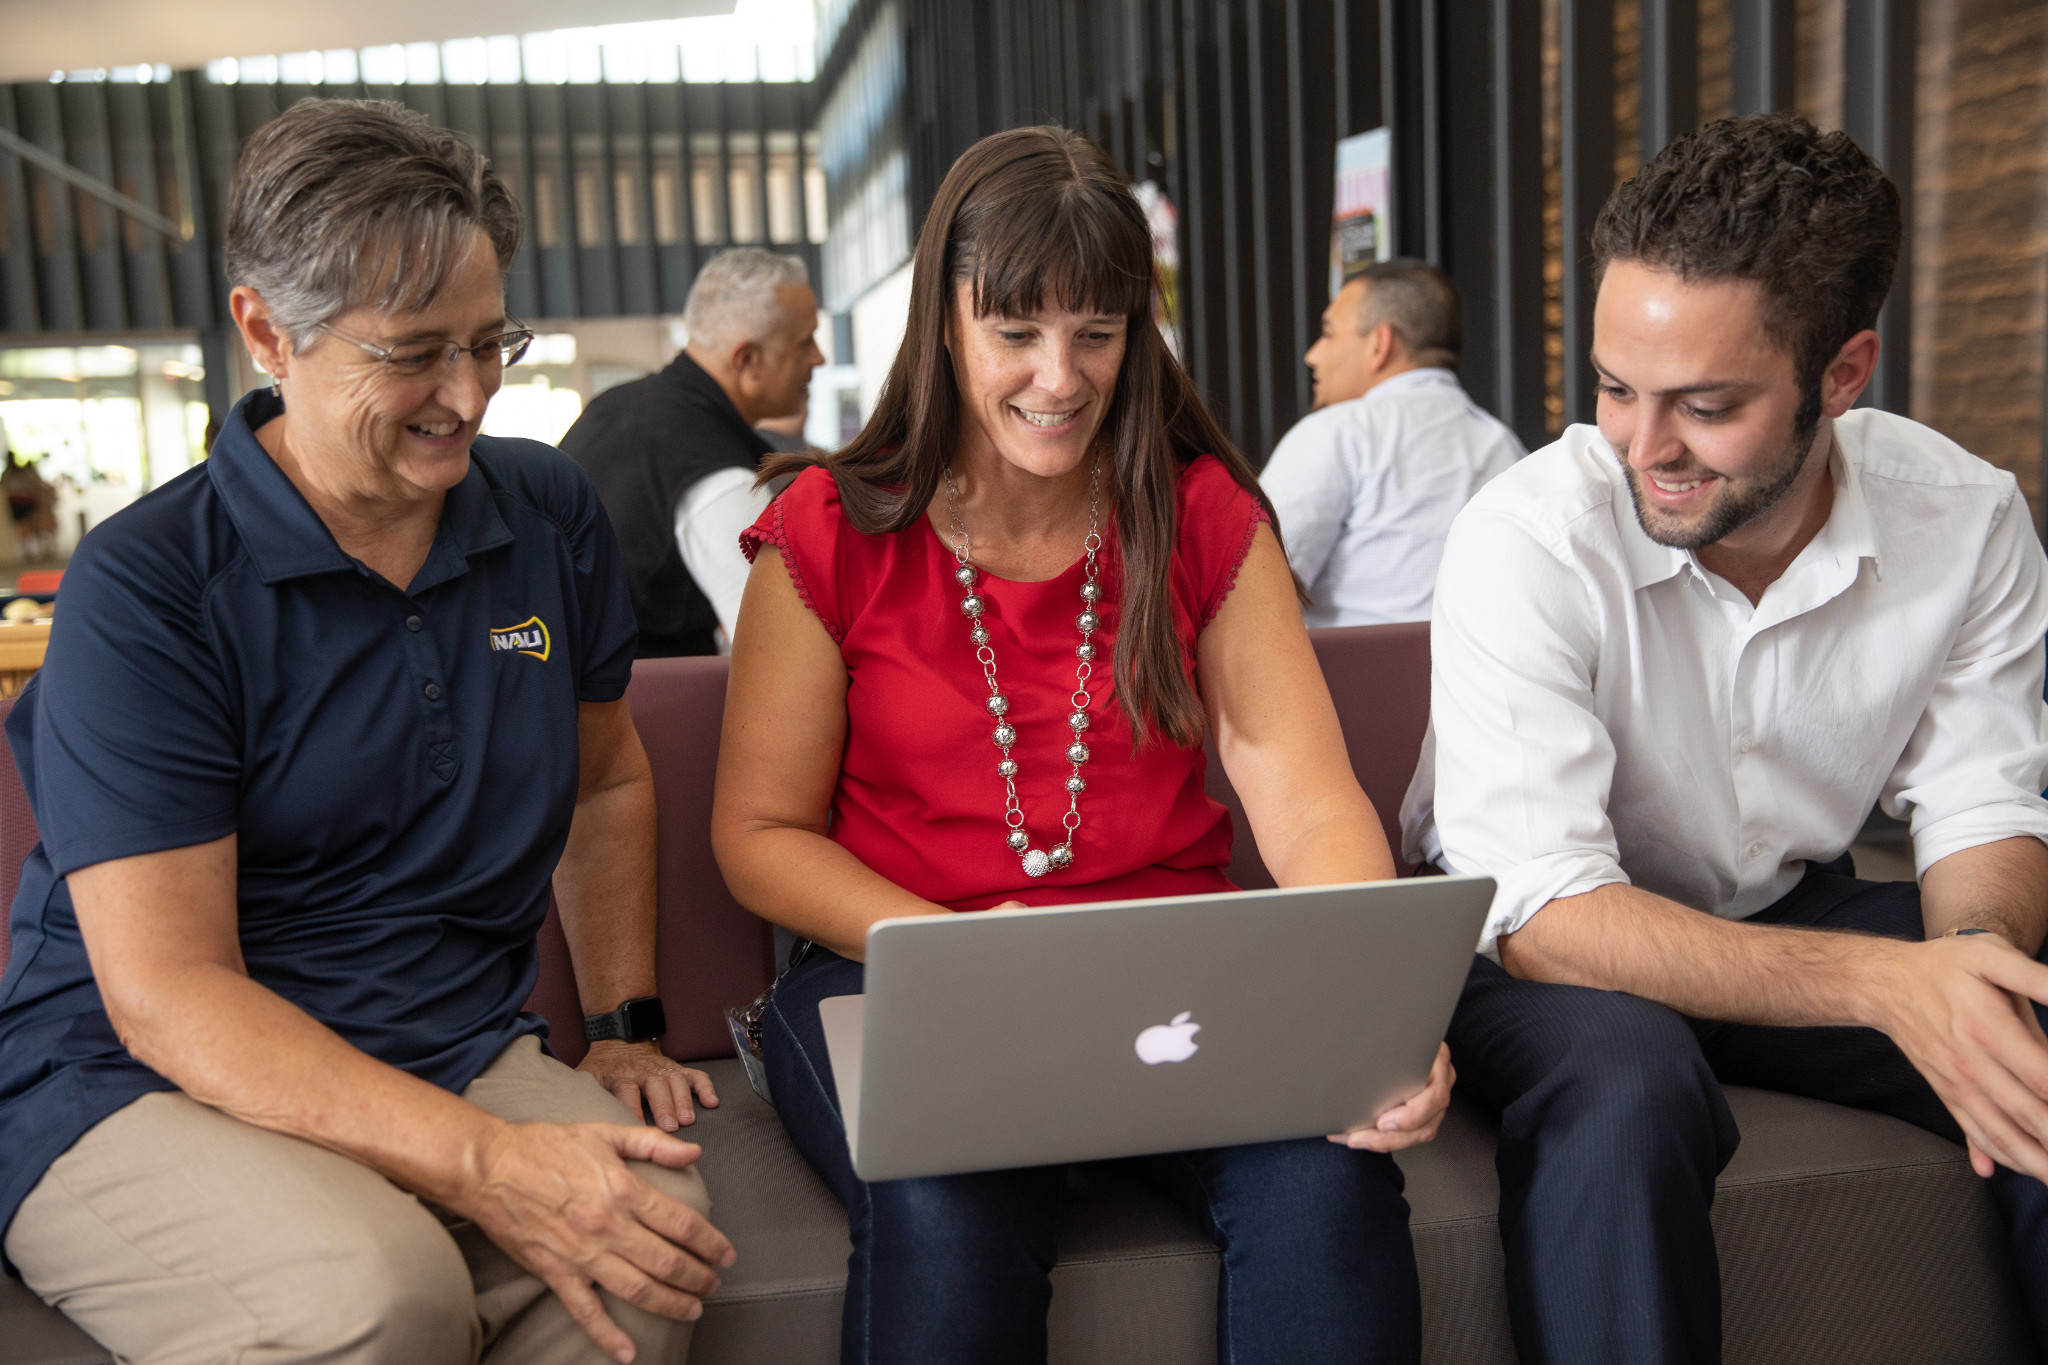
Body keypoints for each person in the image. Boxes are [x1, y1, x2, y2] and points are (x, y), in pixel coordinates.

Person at [0, 99, 734, 1365]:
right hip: (138, 1080)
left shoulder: (545, 509)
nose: (467, 395)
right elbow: (169, 999)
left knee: (647, 1240)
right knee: (379, 1294)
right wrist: (486, 1163)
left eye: (488, 341)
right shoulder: (149, 588)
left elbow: (605, 780)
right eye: (410, 354)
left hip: (440, 1038)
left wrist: (621, 1032)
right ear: (264, 333)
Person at [711, 124, 1454, 1365]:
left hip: (1165, 966)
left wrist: (1364, 1019)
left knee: (1329, 1186)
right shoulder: (827, 528)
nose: (1059, 378)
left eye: (1096, 335)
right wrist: (960, 959)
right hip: (901, 963)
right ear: (944, 323)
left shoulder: (1203, 512)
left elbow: (1309, 802)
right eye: (1015, 333)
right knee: (945, 1200)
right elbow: (756, 836)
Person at [1402, 112, 2048, 1362]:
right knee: (1628, 1085)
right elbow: (1547, 912)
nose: (1641, 450)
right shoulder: (1526, 537)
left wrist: (1963, 972)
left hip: (1779, 907)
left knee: (2018, 1025)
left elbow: (1986, 808)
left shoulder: (1962, 520)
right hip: (1522, 943)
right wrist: (1884, 985)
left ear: (1842, 374)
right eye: (1611, 388)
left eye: (1704, 406)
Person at [562, 247, 824, 656]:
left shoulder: (613, 407)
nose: (819, 358)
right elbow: (778, 654)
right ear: (748, 360)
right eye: (805, 343)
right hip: (650, 709)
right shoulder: (714, 470)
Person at [1259, 260, 1523, 626]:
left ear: (1379, 344)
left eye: (1329, 333)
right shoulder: (1505, 448)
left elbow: (1248, 588)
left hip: (1352, 681)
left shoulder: (1339, 432)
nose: (1313, 355)